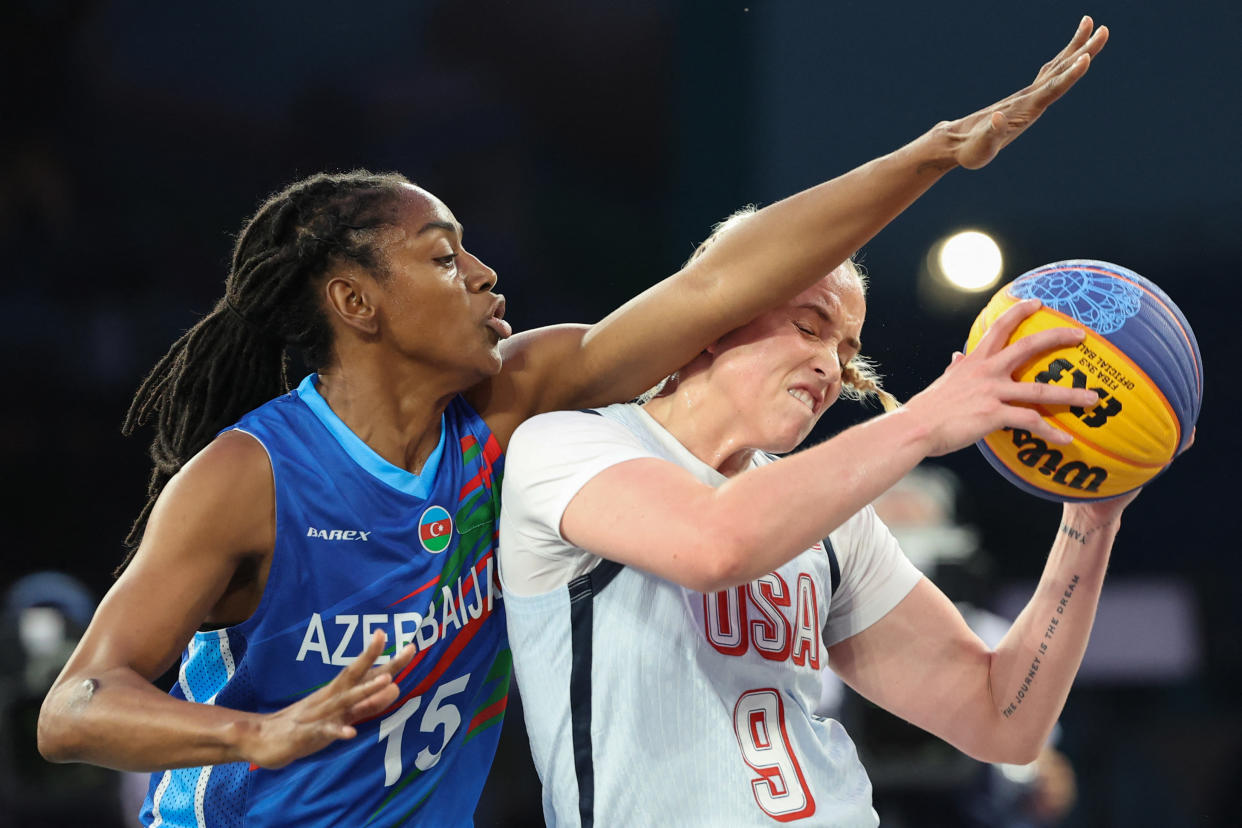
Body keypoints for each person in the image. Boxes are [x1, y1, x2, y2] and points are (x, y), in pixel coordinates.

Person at [38, 16, 1108, 828]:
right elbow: (75, 707)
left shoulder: (512, 407)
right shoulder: (255, 476)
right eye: (444, 256)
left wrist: (936, 153)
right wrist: (253, 733)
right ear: (354, 303)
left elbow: (710, 286)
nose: (487, 273)